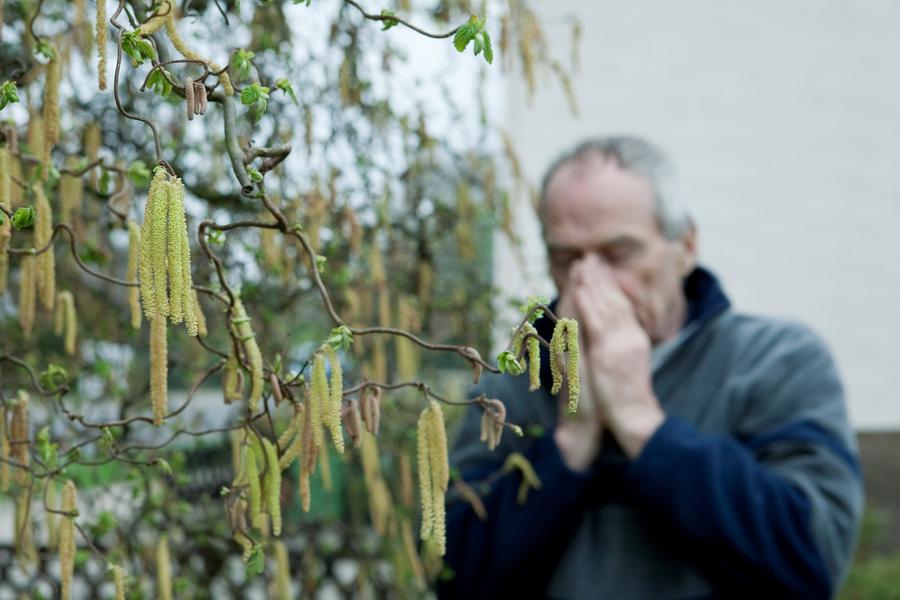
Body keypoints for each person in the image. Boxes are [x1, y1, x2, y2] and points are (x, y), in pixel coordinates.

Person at [439, 136, 864, 599]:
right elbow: (458, 578)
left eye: (619, 254)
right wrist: (570, 441)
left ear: (684, 246)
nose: (589, 281)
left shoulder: (775, 360)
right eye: (566, 259)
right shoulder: (513, 387)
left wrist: (641, 420)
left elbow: (812, 558)